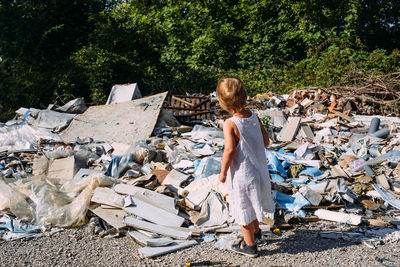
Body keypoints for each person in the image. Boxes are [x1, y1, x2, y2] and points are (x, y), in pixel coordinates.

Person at [217, 76, 274, 258]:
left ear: (222, 101)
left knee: (243, 207)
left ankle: (249, 246)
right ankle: (256, 232)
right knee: (254, 201)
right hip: (259, 171)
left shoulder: (230, 123)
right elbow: (266, 141)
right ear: (245, 96)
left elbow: (229, 149)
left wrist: (223, 171)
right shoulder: (255, 118)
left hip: (242, 174)